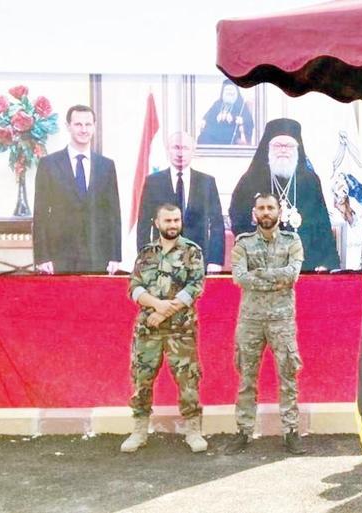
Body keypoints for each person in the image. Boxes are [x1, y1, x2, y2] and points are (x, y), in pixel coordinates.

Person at [121, 203, 208, 453]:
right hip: (148, 331)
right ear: (156, 223)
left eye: (176, 220)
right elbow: (134, 288)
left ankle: (193, 431)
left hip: (181, 331)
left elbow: (195, 287)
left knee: (188, 381)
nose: (172, 225)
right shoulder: (146, 254)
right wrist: (157, 306)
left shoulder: (192, 251)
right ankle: (139, 431)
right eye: (167, 221)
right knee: (141, 380)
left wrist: (163, 312)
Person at [225, 193, 306, 455]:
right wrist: (275, 279)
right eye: (261, 208)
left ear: (279, 212)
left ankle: (291, 432)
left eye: (271, 208)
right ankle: (243, 432)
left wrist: (260, 273)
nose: (266, 212)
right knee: (246, 378)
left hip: (282, 320)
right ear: (254, 213)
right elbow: (239, 278)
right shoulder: (243, 243)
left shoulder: (293, 241)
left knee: (288, 376)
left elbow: (293, 275)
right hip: (250, 320)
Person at [228, 118, 339, 271]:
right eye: (278, 145)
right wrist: (253, 223)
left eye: (289, 146)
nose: (283, 150)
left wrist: (327, 262)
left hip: (305, 264)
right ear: (268, 148)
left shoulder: (310, 180)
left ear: (297, 149)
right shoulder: (251, 179)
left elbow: (322, 226)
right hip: (262, 265)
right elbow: (237, 216)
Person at [33, 105, 121, 274]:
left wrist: (115, 255)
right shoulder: (48, 164)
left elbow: (113, 214)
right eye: (78, 124)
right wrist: (42, 257)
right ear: (68, 127)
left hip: (98, 254)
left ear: (94, 127)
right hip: (59, 255)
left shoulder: (106, 165)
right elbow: (40, 213)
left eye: (88, 125)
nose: (83, 129)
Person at [136, 132, 225, 272]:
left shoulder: (207, 182)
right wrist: (145, 258)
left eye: (185, 148)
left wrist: (215, 260)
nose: (180, 153)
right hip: (161, 261)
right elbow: (143, 224)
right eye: (176, 147)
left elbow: (217, 224)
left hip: (197, 260)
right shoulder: (153, 182)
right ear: (168, 150)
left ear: (193, 151)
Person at [197, 79, 254, 145]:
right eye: (227, 90)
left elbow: (249, 121)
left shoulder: (241, 105)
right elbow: (208, 117)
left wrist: (234, 118)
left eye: (232, 91)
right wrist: (216, 117)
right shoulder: (217, 103)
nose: (229, 92)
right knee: (203, 137)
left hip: (232, 133)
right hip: (216, 133)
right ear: (222, 92)